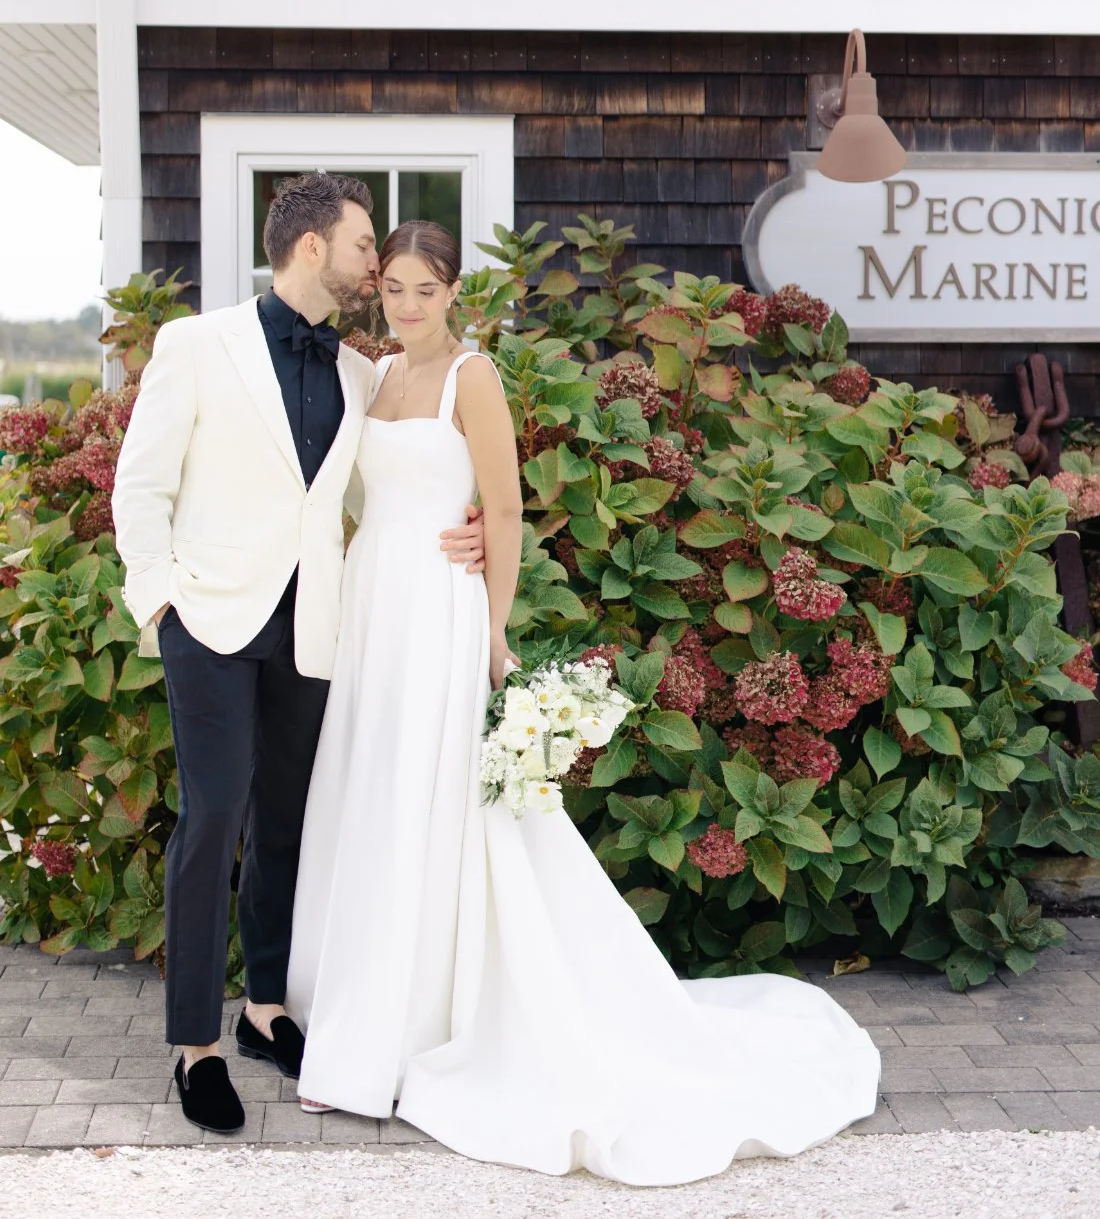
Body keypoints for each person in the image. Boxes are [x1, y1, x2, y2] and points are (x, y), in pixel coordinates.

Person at [286, 220, 881, 1186]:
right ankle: (360, 1010)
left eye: (424, 290)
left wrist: (492, 622)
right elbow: (354, 499)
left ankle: (396, 1038)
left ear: (455, 294)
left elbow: (506, 505)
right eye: (391, 286)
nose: (405, 304)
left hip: (439, 615)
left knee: (425, 806)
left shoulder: (471, 377)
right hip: (371, 611)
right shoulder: (371, 375)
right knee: (370, 794)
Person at [111, 175, 485, 1134]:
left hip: (318, 628)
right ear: (314, 247)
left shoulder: (366, 374)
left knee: (286, 820)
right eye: (366, 246)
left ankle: (264, 1009)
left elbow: (405, 479)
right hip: (211, 623)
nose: (378, 264)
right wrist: (160, 600)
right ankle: (195, 1048)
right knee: (215, 819)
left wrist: (471, 525)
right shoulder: (196, 344)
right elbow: (140, 487)